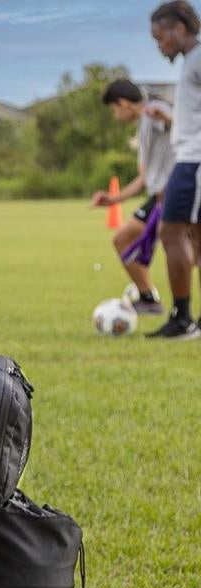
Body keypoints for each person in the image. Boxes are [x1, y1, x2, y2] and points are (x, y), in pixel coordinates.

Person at [91, 79, 174, 314]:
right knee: (122, 240)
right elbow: (143, 178)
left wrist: (168, 119)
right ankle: (148, 298)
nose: (116, 116)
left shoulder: (153, 112)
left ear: (123, 103)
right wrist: (113, 200)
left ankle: (177, 311)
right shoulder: (144, 124)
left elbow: (180, 126)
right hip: (159, 195)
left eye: (114, 110)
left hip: (174, 192)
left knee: (185, 250)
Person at [148, 1, 201, 339]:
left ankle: (182, 318)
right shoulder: (191, 63)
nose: (159, 46)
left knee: (170, 232)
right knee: (196, 237)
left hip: (195, 161)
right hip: (190, 158)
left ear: (179, 29)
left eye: (160, 38)